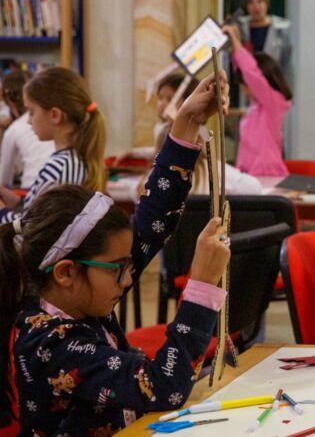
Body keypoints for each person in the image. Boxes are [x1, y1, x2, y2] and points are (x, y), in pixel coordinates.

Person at [0, 72, 231, 435]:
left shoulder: (79, 291)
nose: (128, 279)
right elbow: (162, 387)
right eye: (118, 269)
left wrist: (185, 123)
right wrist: (201, 287)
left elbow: (153, 220)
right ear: (66, 272)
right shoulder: (50, 340)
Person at [0, 67, 106, 223]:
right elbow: (38, 215)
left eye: (31, 112)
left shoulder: (58, 169)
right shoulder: (71, 161)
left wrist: (2, 212)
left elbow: (26, 234)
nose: (29, 121)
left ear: (55, 115)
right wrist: (16, 202)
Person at [223, 22, 292, 177]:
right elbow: (244, 69)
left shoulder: (274, 102)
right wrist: (236, 43)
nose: (243, 89)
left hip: (267, 176)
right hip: (249, 175)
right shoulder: (256, 107)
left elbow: (251, 73)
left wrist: (235, 40)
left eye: (245, 85)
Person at [0, 69, 54, 189]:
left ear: (9, 101)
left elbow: (4, 178)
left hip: (31, 189)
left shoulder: (14, 129)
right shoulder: (50, 119)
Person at [236, 0, 292, 79]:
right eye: (251, 2)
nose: (256, 6)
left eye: (260, 1)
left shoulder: (280, 29)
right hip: (247, 83)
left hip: (273, 82)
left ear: (267, 3)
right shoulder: (240, 28)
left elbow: (287, 62)